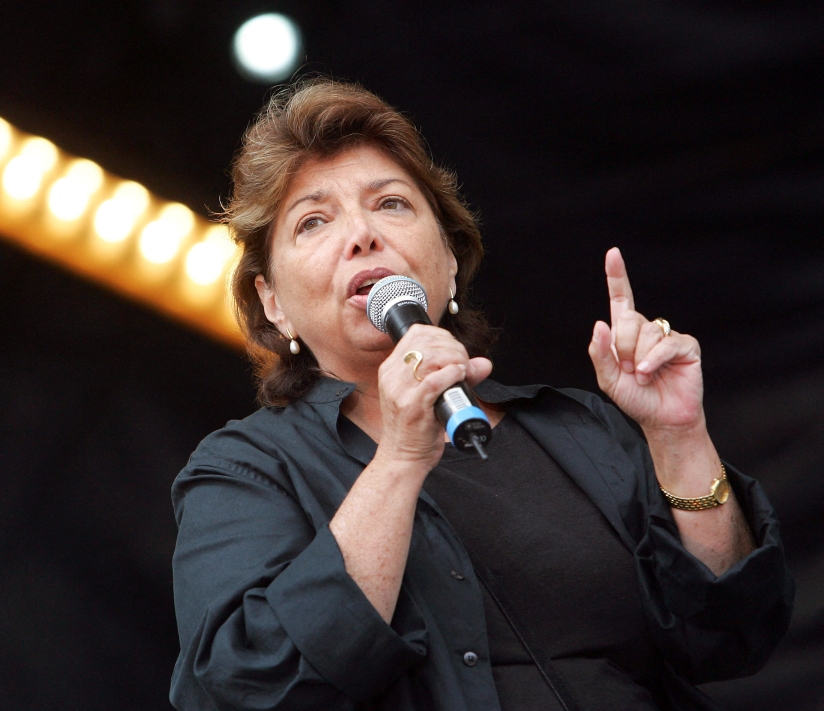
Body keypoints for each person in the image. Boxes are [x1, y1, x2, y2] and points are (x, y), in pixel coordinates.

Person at [169, 78, 793, 711]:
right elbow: (249, 688)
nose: (362, 234)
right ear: (272, 301)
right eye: (313, 221)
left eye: (391, 204)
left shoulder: (576, 429)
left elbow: (730, 636)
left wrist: (679, 437)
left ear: (447, 255)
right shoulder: (243, 470)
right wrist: (401, 459)